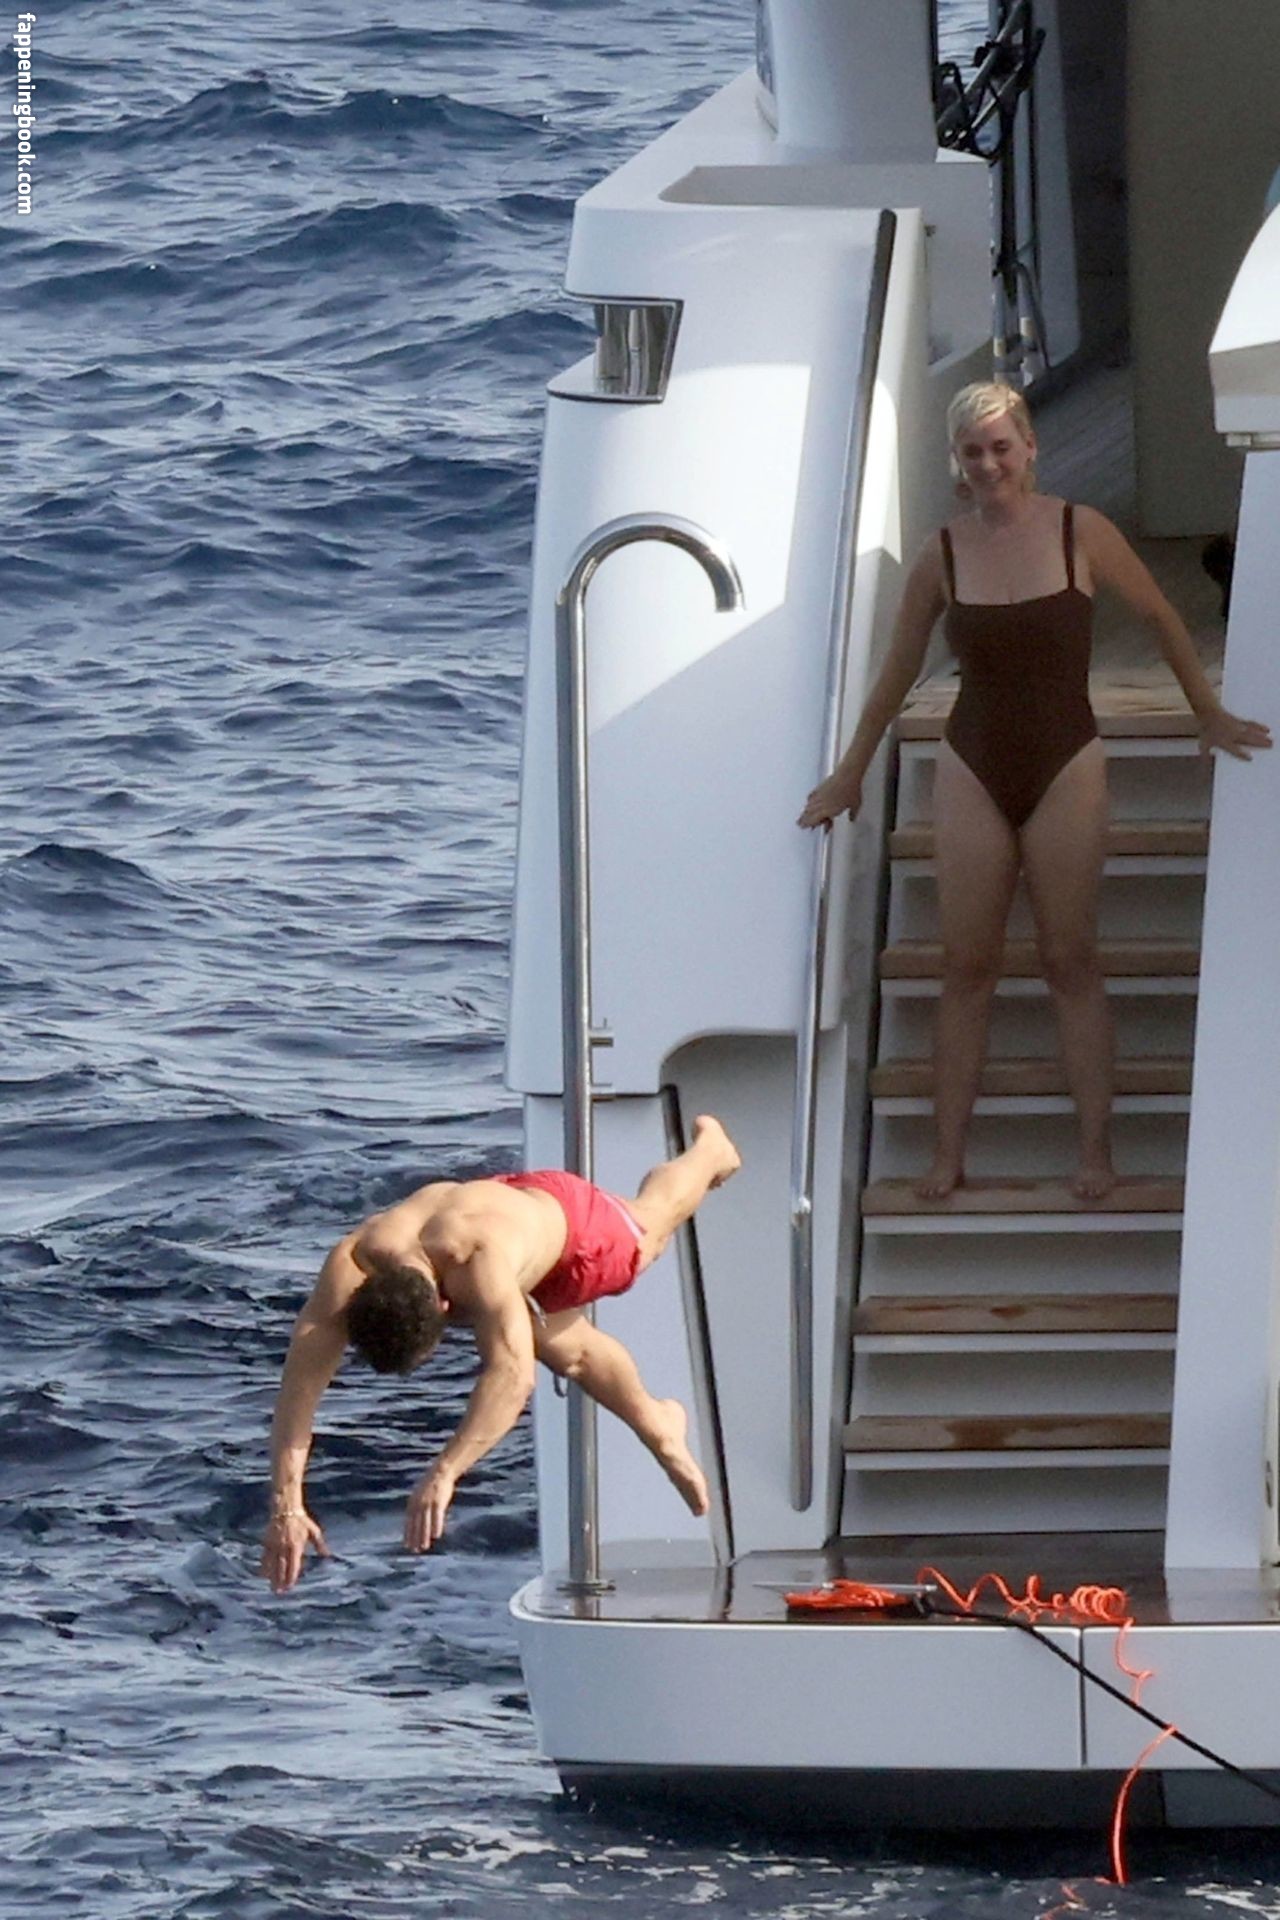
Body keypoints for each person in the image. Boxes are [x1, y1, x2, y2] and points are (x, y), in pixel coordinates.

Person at [798, 380, 1271, 1203]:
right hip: (973, 763)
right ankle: (946, 1155)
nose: (989, 464)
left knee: (1070, 959)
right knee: (966, 966)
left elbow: (1161, 618)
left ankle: (1096, 1150)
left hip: (1066, 762)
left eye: (1001, 447)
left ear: (1030, 447)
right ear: (958, 461)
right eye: (973, 452)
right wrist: (849, 773)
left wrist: (1208, 713)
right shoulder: (942, 554)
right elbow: (895, 675)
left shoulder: (1079, 530)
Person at [258, 1114, 741, 1593]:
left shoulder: (478, 1265)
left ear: (444, 1307)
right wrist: (286, 1507)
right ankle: (659, 1426)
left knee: (648, 1230)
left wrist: (445, 1472)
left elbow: (512, 1377)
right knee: (567, 1351)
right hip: (495, 1203)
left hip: (570, 1226)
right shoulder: (354, 1259)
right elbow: (299, 1389)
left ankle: (710, 1152)